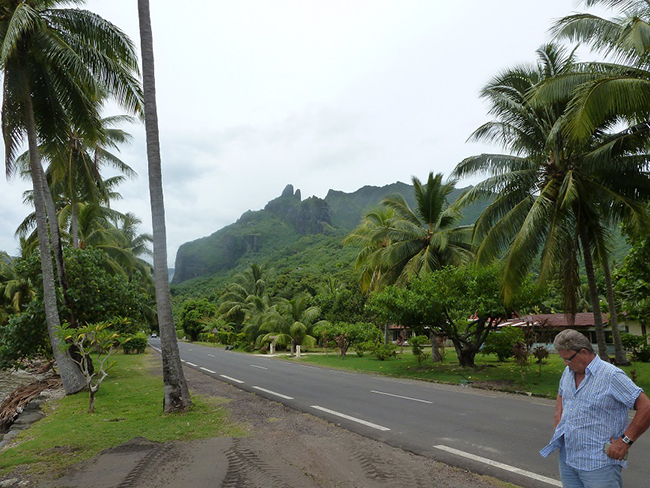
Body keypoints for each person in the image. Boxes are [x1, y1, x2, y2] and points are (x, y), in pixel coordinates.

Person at [540, 329, 650, 488]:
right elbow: (562, 394)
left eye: (567, 359)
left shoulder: (611, 376)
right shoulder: (569, 371)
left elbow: (646, 407)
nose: (565, 363)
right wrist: (558, 418)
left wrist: (625, 441)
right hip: (568, 458)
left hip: (598, 463)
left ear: (583, 352)